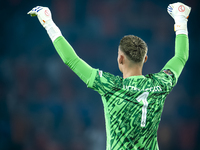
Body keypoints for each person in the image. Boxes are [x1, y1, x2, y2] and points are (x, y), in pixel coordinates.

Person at [28, 2, 191, 150]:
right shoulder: (161, 83)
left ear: (120, 58)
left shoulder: (110, 86)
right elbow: (180, 57)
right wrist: (180, 19)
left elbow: (71, 60)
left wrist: (48, 23)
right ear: (145, 59)